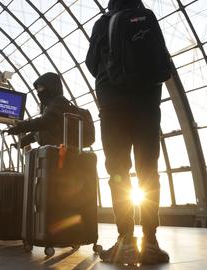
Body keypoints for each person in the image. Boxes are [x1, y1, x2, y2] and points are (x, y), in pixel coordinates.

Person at [86, 0, 170, 265]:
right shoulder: (148, 17)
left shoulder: (103, 23)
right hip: (148, 106)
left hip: (114, 109)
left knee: (119, 173)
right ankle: (152, 242)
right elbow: (161, 61)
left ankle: (126, 241)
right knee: (149, 172)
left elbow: (91, 63)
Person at [6, 72, 70, 147]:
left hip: (59, 148)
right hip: (55, 146)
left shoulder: (58, 102)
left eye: (40, 87)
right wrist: (22, 142)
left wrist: (21, 127)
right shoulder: (53, 104)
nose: (38, 91)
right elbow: (40, 130)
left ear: (50, 86)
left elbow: (43, 122)